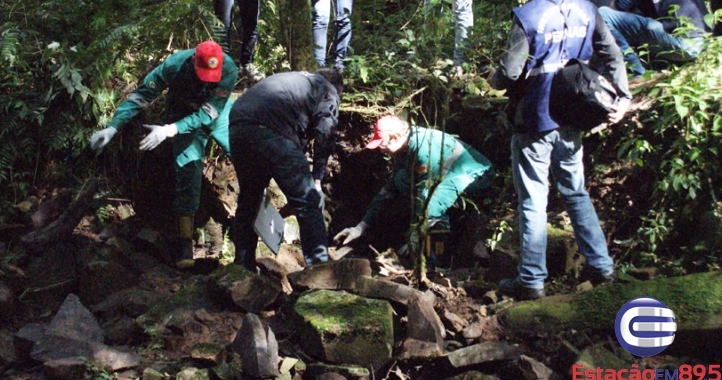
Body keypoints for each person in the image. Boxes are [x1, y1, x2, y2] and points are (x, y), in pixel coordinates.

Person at [489, 0, 632, 300]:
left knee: (533, 199)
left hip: (535, 119)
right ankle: (602, 267)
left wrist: (491, 78)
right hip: (573, 116)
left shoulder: (526, 16)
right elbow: (611, 54)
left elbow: (509, 72)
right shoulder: (586, 8)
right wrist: (623, 98)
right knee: (576, 192)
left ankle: (532, 281)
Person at [89, 41, 236, 266]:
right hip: (182, 111)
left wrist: (169, 130)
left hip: (218, 114)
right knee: (188, 171)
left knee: (242, 154)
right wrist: (113, 126)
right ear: (193, 63)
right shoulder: (174, 65)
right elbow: (142, 96)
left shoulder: (228, 69)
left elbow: (210, 113)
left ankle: (253, 216)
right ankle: (185, 244)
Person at [333, 115, 494, 261]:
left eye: (382, 144)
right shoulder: (403, 151)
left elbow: (428, 194)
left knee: (433, 207)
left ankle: (436, 261)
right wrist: (361, 226)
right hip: (446, 177)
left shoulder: (423, 149)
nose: (382, 149)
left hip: (476, 177)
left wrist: (416, 232)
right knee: (400, 179)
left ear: (395, 138)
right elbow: (388, 191)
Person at [229, 69, 343, 271]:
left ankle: (241, 267)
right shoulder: (328, 89)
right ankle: (319, 272)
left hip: (239, 125)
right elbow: (326, 131)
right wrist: (316, 179)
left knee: (250, 199)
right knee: (309, 202)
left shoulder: (296, 81)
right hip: (271, 129)